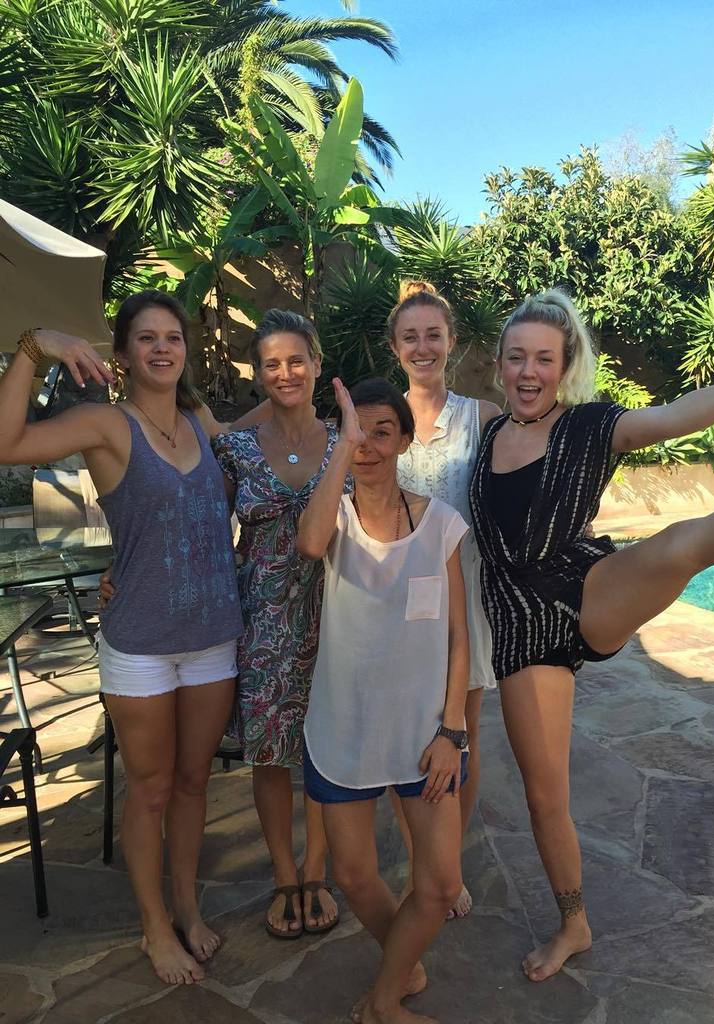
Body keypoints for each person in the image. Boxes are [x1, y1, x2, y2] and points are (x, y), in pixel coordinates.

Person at [468, 288, 714, 983]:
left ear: (564, 365)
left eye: (544, 358)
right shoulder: (484, 433)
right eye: (517, 358)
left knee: (684, 543)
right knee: (543, 796)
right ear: (500, 364)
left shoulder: (588, 425)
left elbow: (670, 417)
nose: (529, 372)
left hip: (585, 589)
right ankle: (574, 922)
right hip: (520, 630)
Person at [0, 291, 258, 985]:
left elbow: (254, 456)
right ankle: (154, 927)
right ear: (122, 355)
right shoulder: (107, 424)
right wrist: (34, 347)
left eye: (172, 336)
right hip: (141, 643)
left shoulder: (202, 423)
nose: (162, 348)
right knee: (149, 788)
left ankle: (186, 905)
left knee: (194, 782)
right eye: (146, 338)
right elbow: (7, 443)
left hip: (212, 636)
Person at [297, 377, 470, 1024]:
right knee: (353, 875)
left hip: (424, 736)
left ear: (403, 441)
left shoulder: (440, 523)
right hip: (343, 727)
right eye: (354, 434)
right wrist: (340, 450)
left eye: (380, 432)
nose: (366, 446)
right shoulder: (334, 516)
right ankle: (400, 972)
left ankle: (382, 1001)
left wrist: (452, 731)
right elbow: (308, 544)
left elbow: (458, 637)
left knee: (440, 885)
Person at [210, 310, 340, 939]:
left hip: (336, 614)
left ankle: (316, 870)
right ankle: (285, 875)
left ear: (316, 363)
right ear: (259, 374)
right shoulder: (235, 449)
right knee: (268, 754)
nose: (285, 373)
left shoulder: (347, 440)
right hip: (261, 619)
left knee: (324, 748)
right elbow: (202, 530)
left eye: (296, 360)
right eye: (271, 364)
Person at [388, 281, 501, 919]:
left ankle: (447, 865)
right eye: (411, 336)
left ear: (452, 342)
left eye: (434, 334)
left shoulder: (482, 416)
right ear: (395, 347)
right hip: (399, 601)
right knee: (406, 735)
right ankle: (418, 865)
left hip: (469, 593)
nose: (423, 346)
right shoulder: (383, 417)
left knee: (463, 735)